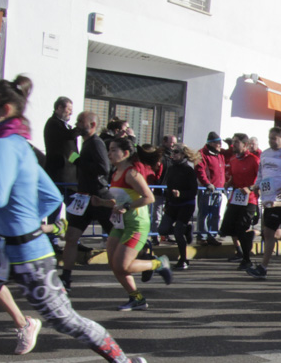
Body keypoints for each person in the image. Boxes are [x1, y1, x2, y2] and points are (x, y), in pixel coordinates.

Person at [0, 75, 147, 363]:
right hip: (0, 246)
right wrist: (30, 222)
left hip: (27, 254)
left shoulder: (4, 144)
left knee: (65, 321)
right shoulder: (14, 142)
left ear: (4, 109)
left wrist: (28, 229)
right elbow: (50, 195)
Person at [99, 138, 173, 310]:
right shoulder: (115, 173)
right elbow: (119, 201)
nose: (109, 154)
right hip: (120, 224)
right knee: (114, 265)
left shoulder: (132, 174)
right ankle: (137, 299)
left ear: (125, 153)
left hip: (136, 225)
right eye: (109, 150)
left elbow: (149, 197)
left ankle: (158, 263)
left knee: (123, 265)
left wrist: (127, 206)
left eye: (113, 150)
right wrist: (101, 203)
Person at [60, 112, 112, 290]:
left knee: (118, 237)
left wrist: (80, 161)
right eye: (78, 122)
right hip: (82, 198)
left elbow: (104, 168)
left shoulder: (96, 143)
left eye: (81, 122)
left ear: (93, 125)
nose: (77, 124)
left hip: (99, 197)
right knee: (71, 237)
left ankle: (150, 260)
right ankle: (65, 277)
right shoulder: (86, 143)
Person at [247, 127, 281, 279]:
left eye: (274, 138)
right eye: (269, 138)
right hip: (269, 199)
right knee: (268, 232)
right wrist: (256, 185)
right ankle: (263, 267)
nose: (271, 141)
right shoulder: (265, 154)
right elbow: (261, 173)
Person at [219, 133, 261, 270]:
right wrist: (229, 183)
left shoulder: (254, 160)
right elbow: (232, 176)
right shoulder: (233, 160)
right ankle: (241, 252)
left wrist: (250, 188)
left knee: (242, 229)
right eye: (233, 142)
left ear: (245, 144)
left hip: (249, 200)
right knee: (229, 228)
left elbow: (260, 179)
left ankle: (247, 259)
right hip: (236, 198)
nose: (233, 145)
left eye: (237, 142)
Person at [157, 143, 201, 270]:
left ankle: (183, 259)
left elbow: (193, 191)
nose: (173, 154)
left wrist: (181, 194)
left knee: (177, 232)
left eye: (176, 152)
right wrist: (167, 202)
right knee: (162, 230)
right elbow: (169, 187)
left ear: (183, 154)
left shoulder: (189, 170)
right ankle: (187, 229)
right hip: (173, 204)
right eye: (173, 152)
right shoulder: (171, 168)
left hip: (186, 205)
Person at [195, 131, 227, 245]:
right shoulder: (202, 154)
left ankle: (212, 235)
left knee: (215, 213)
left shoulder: (220, 154)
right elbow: (200, 171)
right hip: (207, 189)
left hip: (218, 189)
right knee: (204, 213)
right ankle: (201, 236)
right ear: (212, 143)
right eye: (218, 143)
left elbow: (232, 153)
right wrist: (206, 183)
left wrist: (231, 144)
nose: (220, 145)